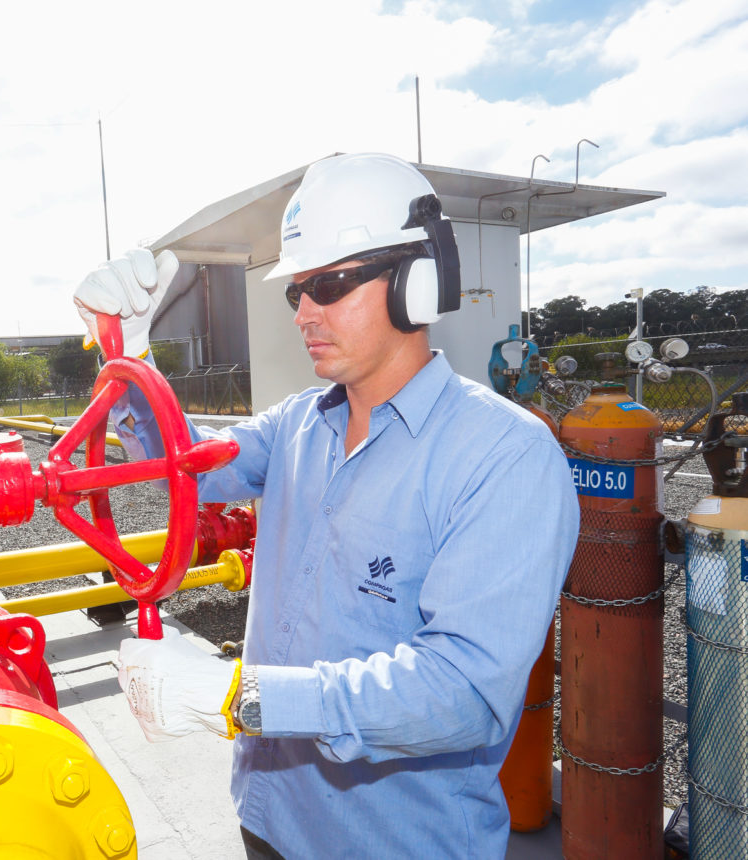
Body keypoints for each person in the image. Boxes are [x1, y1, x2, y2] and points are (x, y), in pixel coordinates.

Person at [72, 152, 578, 859]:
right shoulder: (298, 425)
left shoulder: (505, 456)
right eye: (297, 292)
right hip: (269, 820)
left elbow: (462, 691)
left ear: (418, 281)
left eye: (331, 284)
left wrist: (240, 697)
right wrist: (129, 355)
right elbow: (183, 467)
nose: (304, 312)